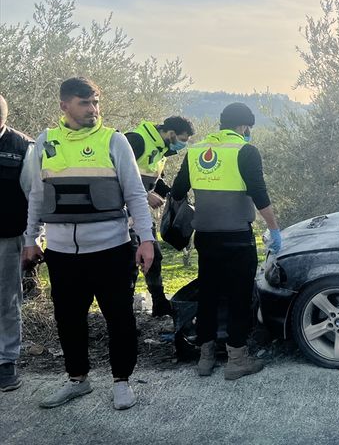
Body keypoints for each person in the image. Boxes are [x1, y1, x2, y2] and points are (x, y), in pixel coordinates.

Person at [21, 77, 155, 410]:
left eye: (96, 102)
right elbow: (37, 196)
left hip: (111, 250)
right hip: (63, 253)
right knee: (68, 319)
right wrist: (31, 238)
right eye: (85, 103)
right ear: (64, 106)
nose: (93, 109)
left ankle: (122, 382)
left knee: (119, 318)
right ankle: (77, 380)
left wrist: (147, 239)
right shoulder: (45, 142)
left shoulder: (115, 141)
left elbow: (136, 195)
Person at [171, 102, 281, 380]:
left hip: (206, 238)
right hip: (237, 238)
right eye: (249, 129)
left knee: (208, 294)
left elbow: (178, 190)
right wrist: (275, 229)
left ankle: (205, 358)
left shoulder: (196, 151)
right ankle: (237, 360)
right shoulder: (246, 151)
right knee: (238, 297)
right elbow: (259, 194)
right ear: (244, 126)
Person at [125, 116, 195, 316]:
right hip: (122, 215)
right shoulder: (136, 140)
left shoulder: (161, 151)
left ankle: (159, 303)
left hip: (140, 214)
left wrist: (175, 196)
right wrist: (146, 195)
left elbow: (157, 182)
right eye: (182, 138)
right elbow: (116, 175)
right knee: (129, 263)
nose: (182, 144)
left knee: (153, 256)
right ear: (171, 133)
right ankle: (125, 312)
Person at [0, 95, 37, 392]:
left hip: (7, 236)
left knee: (6, 300)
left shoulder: (23, 147)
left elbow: (34, 195)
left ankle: (6, 360)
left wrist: (33, 239)